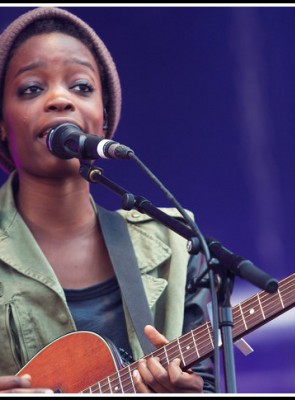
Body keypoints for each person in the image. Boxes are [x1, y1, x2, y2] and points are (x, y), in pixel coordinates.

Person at [0, 6, 215, 394]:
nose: (60, 99)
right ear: (1, 121)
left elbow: (211, 384)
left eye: (81, 86)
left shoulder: (176, 242)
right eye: (32, 88)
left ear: (104, 117)